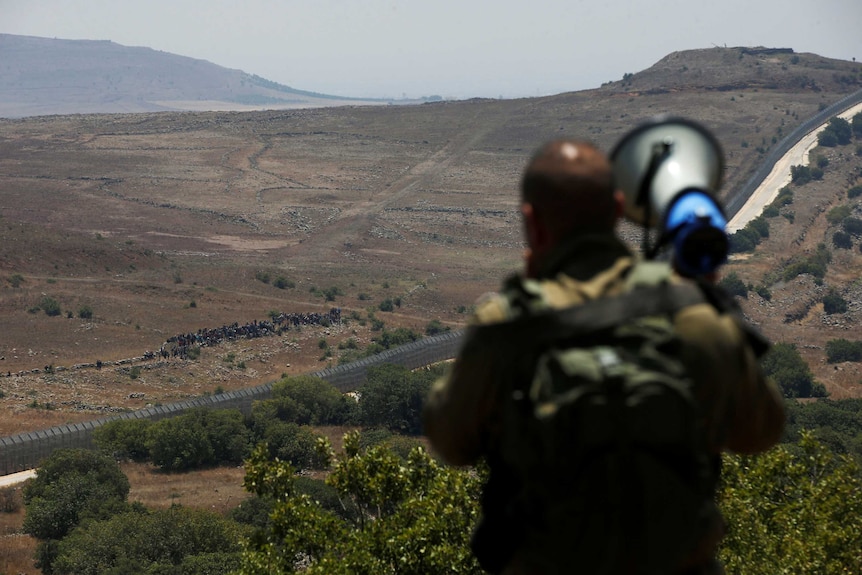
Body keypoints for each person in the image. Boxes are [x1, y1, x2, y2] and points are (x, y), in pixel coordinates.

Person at [423, 139, 785, 574]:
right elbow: (759, 433)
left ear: (531, 222)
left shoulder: (506, 327)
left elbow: (451, 442)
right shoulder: (692, 315)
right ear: (617, 211)